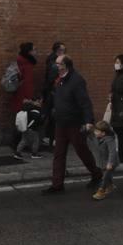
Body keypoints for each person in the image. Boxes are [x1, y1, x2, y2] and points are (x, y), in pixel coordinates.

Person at [42, 53, 100, 194]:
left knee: (82, 151)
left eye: (58, 64)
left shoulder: (76, 81)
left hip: (75, 123)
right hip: (61, 123)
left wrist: (88, 121)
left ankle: (97, 174)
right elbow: (56, 98)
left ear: (65, 65)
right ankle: (57, 185)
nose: (56, 66)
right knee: (59, 154)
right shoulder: (59, 80)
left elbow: (85, 102)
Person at [8, 42, 40, 152]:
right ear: (29, 52)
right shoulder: (24, 64)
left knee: (21, 120)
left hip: (22, 96)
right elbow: (25, 83)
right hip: (22, 97)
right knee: (21, 120)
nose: (36, 52)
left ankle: (19, 144)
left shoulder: (24, 62)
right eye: (34, 50)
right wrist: (27, 99)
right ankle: (16, 145)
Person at [42, 42, 66, 147]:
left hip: (51, 92)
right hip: (54, 93)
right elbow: (51, 79)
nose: (64, 52)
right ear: (58, 51)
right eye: (62, 50)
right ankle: (53, 138)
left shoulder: (52, 61)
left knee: (52, 116)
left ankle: (49, 138)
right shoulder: (55, 65)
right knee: (55, 116)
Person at [90, 120, 120, 200]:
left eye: (97, 131)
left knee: (105, 177)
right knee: (107, 176)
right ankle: (110, 186)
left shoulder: (109, 140)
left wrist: (110, 163)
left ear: (103, 133)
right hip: (101, 162)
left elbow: (112, 152)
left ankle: (101, 191)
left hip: (111, 162)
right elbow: (88, 134)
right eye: (95, 130)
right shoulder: (96, 137)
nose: (95, 132)